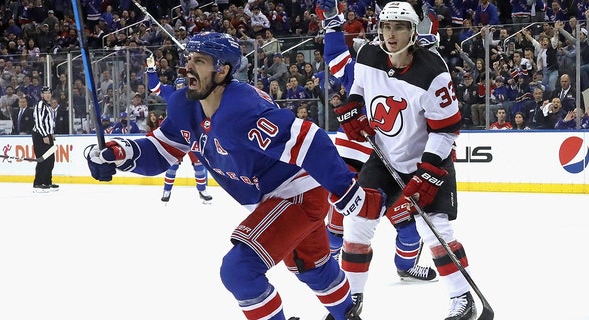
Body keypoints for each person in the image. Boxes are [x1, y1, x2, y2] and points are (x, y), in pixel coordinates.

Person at [85, 31, 386, 320]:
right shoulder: (184, 105)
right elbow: (161, 150)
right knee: (312, 267)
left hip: (298, 192)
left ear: (222, 71)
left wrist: (347, 192)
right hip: (271, 197)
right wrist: (120, 153)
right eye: (189, 58)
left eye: (199, 61)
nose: (187, 66)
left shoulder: (242, 110)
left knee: (239, 271)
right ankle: (347, 313)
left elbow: (311, 140)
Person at [321, 1, 478, 319]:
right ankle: (349, 304)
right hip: (384, 157)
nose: (391, 34)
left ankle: (462, 298)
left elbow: (446, 130)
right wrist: (354, 106)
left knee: (435, 228)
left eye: (399, 27)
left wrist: (428, 172)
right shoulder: (368, 54)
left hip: (428, 162)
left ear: (413, 31)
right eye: (386, 26)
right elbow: (360, 86)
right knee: (357, 223)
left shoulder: (433, 71)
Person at [317, 0, 438, 289]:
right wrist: (333, 22)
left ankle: (406, 267)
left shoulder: (414, 71)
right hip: (356, 157)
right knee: (343, 211)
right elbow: (335, 58)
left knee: (407, 223)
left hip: (394, 159)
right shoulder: (364, 67)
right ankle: (329, 260)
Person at [146, 59, 213, 204]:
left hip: (194, 133)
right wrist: (151, 69)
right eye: (179, 85)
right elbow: (155, 87)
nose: (181, 87)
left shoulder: (195, 92)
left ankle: (202, 190)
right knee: (173, 164)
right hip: (176, 134)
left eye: (184, 85)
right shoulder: (171, 92)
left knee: (199, 164)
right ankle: (167, 191)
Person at [32, 86, 58, 192]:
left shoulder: (48, 106)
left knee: (51, 160)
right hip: (40, 136)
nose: (47, 95)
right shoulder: (40, 105)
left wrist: (51, 133)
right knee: (43, 159)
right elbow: (38, 121)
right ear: (42, 95)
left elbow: (49, 121)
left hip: (47, 135)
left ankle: (47, 181)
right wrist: (44, 135)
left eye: (49, 93)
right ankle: (38, 182)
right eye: (45, 93)